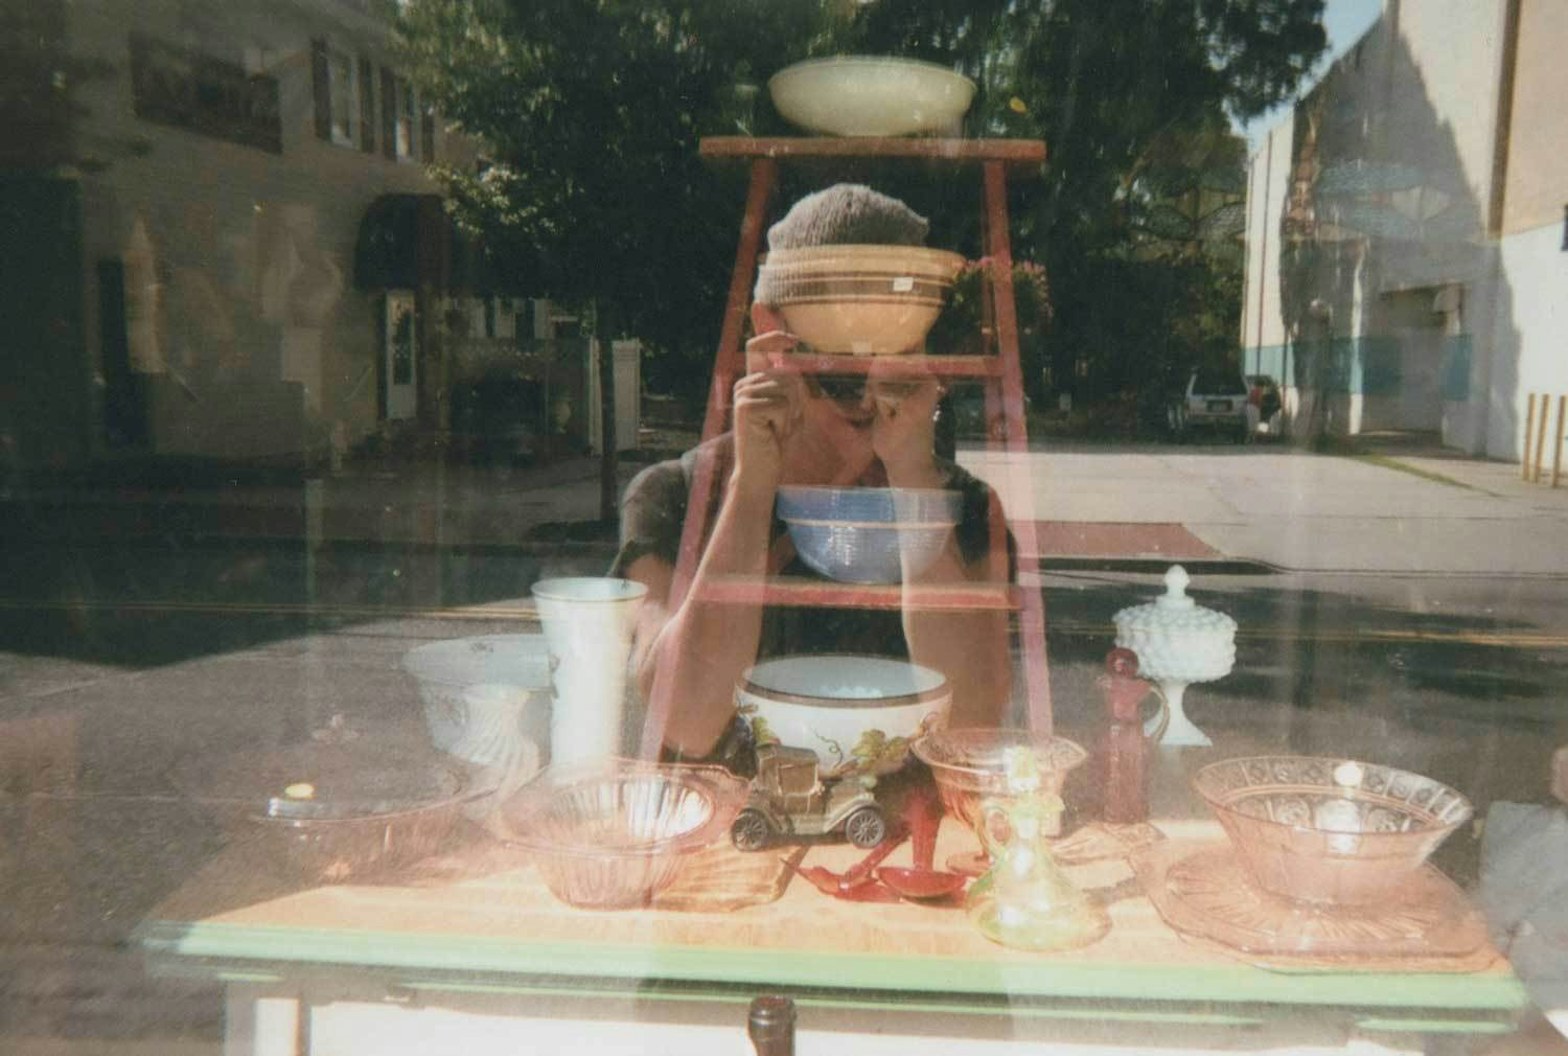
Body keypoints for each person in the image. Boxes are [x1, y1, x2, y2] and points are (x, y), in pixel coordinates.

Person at [612, 190, 1014, 762]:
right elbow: (686, 721)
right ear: (771, 328)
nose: (864, 383)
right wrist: (751, 486)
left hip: (911, 837)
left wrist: (912, 477)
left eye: (890, 346)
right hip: (723, 833)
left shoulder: (968, 509)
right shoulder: (671, 497)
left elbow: (974, 726)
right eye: (836, 360)